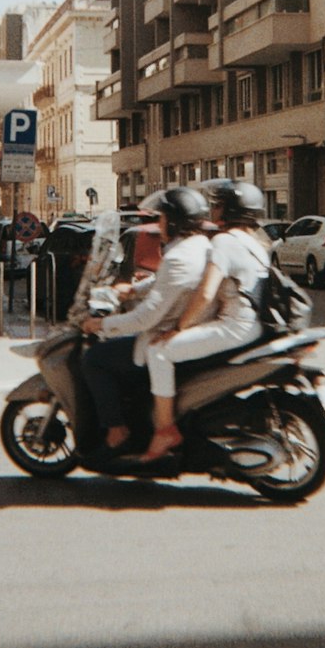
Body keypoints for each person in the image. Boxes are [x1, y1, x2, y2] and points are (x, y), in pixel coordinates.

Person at [140, 178, 269, 462]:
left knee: (158, 351)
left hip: (235, 326)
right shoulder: (258, 243)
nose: (214, 209)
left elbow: (206, 293)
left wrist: (178, 327)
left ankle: (164, 430)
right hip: (253, 325)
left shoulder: (224, 241)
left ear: (231, 210)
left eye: (219, 204)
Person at [80, 187, 211, 453]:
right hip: (186, 327)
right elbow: (166, 280)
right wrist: (133, 289)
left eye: (161, 218)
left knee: (95, 359)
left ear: (173, 222)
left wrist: (101, 324)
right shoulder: (199, 246)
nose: (158, 224)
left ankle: (117, 429)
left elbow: (145, 318)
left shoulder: (178, 256)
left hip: (162, 332)